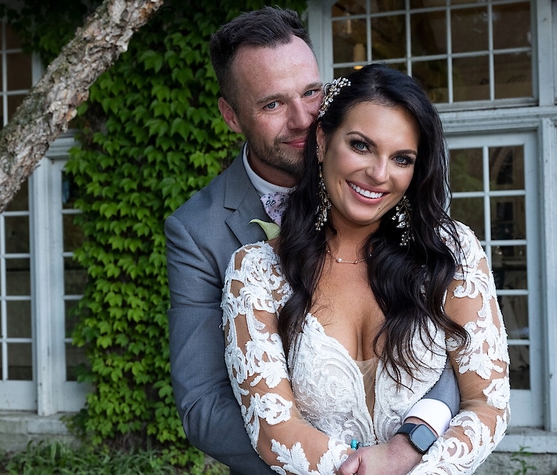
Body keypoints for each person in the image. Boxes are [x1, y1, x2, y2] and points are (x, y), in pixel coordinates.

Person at [165, 8, 460, 474]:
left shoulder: (383, 184)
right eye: (272, 105)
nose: (303, 119)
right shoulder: (198, 232)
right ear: (231, 116)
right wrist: (341, 465)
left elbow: (451, 344)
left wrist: (410, 446)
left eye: (310, 92)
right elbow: (204, 406)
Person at [221, 64, 510, 474]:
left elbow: (487, 403)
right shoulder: (256, 272)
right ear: (322, 141)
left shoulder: (451, 251)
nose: (379, 174)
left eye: (402, 158)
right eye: (361, 146)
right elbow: (274, 429)